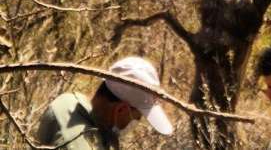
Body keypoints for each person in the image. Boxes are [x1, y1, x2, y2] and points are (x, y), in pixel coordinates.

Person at [37, 56, 173, 149]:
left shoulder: (70, 102)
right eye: (137, 116)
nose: (136, 122)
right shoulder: (77, 143)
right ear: (121, 110)